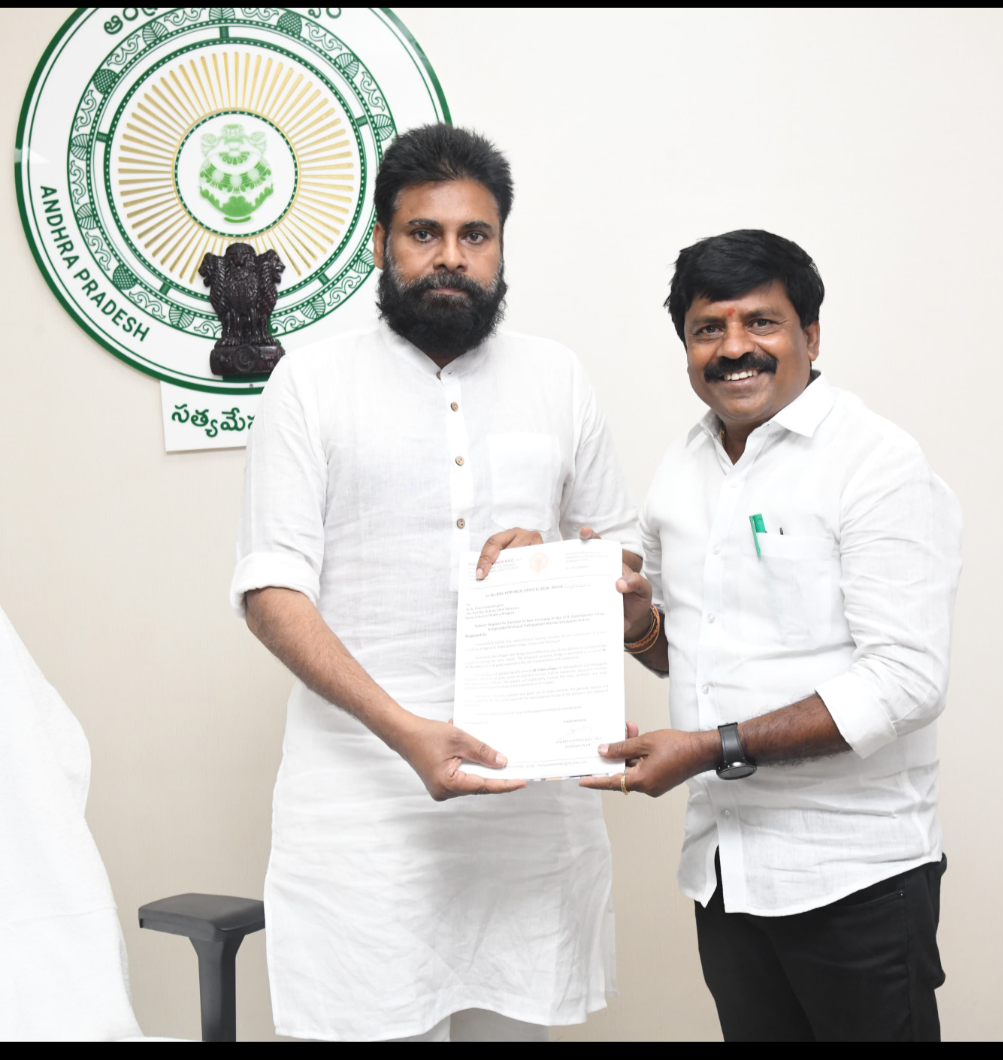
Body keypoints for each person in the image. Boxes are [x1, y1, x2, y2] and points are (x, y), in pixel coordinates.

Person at [232, 125, 639, 1041]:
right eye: (424, 233)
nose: (451, 256)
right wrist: (406, 732)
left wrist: (567, 566)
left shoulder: (557, 376)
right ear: (382, 244)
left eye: (474, 235)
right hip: (361, 812)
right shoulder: (310, 383)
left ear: (500, 248)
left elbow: (621, 553)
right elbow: (272, 591)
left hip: (528, 814)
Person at [582, 230, 962, 1041]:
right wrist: (636, 624)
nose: (733, 348)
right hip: (726, 874)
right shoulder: (682, 468)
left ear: (811, 335)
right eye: (707, 329)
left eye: (761, 322)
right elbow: (691, 653)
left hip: (855, 877)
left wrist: (709, 748)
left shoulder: (876, 462)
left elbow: (906, 682)